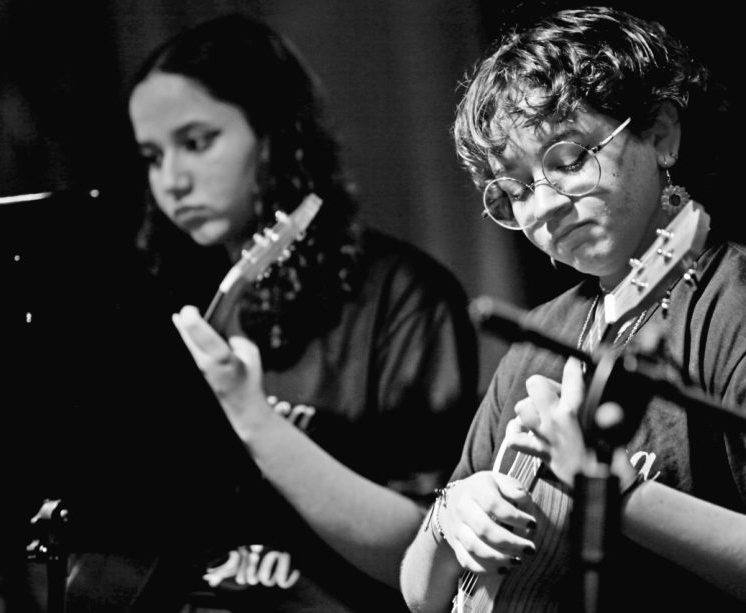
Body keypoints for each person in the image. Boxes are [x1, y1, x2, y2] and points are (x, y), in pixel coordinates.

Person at [399, 5, 746, 613]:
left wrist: (615, 493)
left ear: (660, 135)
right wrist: (451, 515)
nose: (541, 209)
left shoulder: (743, 307)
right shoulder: (535, 343)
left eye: (568, 161)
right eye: (515, 189)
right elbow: (420, 595)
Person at [122, 12, 479, 613]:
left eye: (196, 142)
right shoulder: (166, 297)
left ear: (272, 134)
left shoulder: (403, 296)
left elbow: (427, 552)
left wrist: (254, 419)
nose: (172, 181)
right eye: (153, 156)